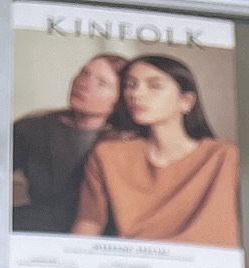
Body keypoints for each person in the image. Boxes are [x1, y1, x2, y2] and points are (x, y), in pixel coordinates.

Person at [72, 56, 240, 249]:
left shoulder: (225, 157)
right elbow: (89, 222)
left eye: (155, 86)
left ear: (186, 102)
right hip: (137, 260)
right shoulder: (107, 155)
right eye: (130, 85)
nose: (136, 94)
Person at [11, 55, 127, 234]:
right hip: (38, 228)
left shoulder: (128, 143)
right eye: (84, 73)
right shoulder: (33, 128)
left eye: (101, 83)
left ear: (120, 100)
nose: (84, 84)